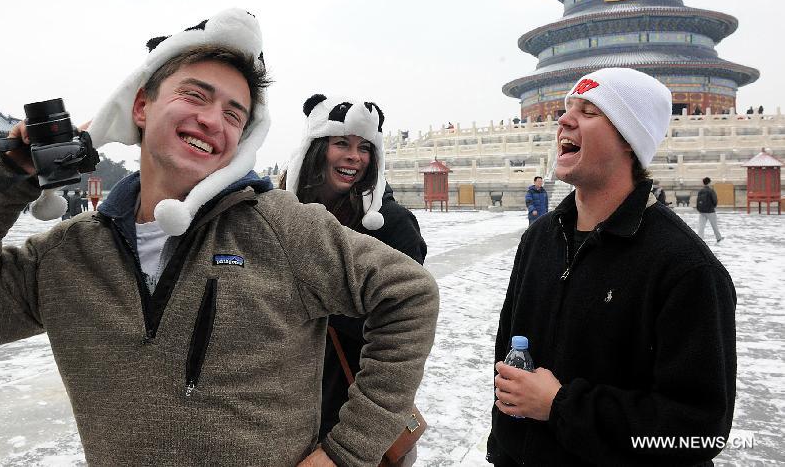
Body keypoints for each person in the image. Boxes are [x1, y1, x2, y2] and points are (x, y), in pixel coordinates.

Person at [0, 9, 440, 466]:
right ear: (141, 107)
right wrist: (4, 181)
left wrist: (347, 453)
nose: (213, 120)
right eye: (195, 96)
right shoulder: (67, 255)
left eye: (234, 113)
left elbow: (410, 295)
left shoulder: (282, 227)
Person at [488, 67, 736, 466]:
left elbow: (698, 434)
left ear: (629, 140)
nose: (564, 119)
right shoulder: (539, 241)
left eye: (589, 111)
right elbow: (508, 362)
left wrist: (561, 405)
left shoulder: (685, 268)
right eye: (568, 108)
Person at [280, 94, 428, 464]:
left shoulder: (392, 225)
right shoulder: (280, 216)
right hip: (283, 409)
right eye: (341, 143)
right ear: (316, 148)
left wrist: (308, 303)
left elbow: (401, 325)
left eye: (364, 148)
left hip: (354, 409)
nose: (354, 157)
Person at [696, 176, 724, 243]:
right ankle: (718, 238)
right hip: (710, 211)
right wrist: (713, 207)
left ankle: (700, 239)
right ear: (709, 183)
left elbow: (697, 201)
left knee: (701, 226)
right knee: (714, 226)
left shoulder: (700, 191)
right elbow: (715, 200)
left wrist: (699, 209)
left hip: (702, 211)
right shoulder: (711, 191)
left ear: (703, 183)